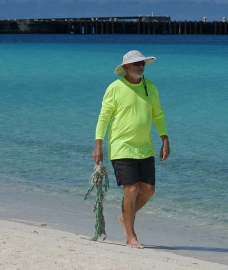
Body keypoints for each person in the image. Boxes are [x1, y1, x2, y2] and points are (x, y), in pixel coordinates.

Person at [92, 50, 170, 249]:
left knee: (148, 191)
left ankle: (125, 216)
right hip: (121, 147)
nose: (140, 67)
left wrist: (165, 139)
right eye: (136, 64)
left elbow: (158, 115)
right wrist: (98, 144)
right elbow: (104, 117)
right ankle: (131, 236)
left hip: (145, 148)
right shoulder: (115, 88)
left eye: (142, 63)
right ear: (125, 67)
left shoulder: (150, 87)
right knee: (132, 189)